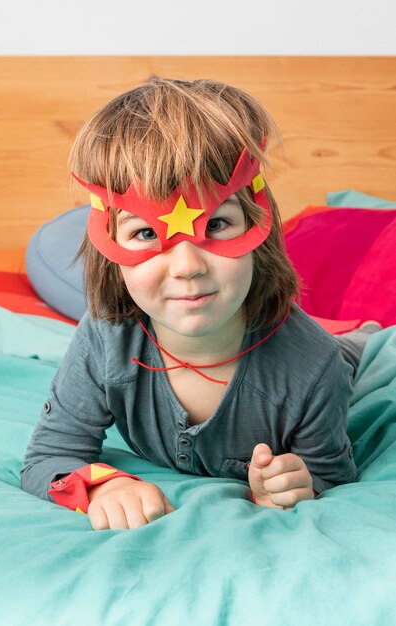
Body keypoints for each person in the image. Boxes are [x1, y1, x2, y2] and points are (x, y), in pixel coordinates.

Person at [21, 76, 380, 530]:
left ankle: (355, 329)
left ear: (258, 228)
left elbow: (329, 473)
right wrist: (103, 486)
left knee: (352, 342)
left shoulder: (313, 367)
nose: (187, 266)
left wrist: (298, 483)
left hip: (337, 348)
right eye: (146, 233)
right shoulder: (104, 338)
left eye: (218, 225)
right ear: (110, 251)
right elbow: (49, 458)